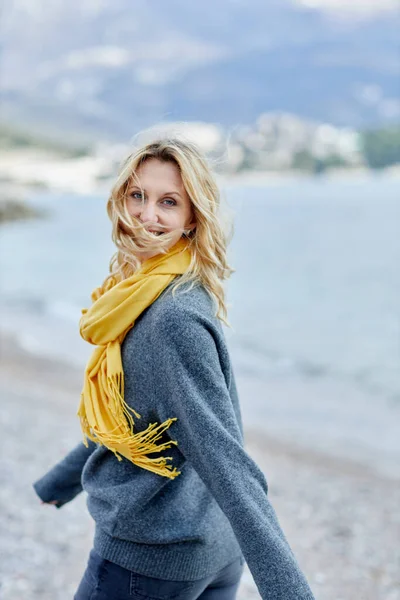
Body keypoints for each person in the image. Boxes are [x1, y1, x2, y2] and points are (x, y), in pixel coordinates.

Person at [33, 137, 315, 600]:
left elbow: (224, 458)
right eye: (138, 195)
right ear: (120, 197)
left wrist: (290, 592)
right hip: (208, 547)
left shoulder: (170, 317)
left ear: (192, 220)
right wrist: (61, 482)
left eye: (169, 202)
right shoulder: (146, 290)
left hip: (150, 560)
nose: (147, 215)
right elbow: (134, 414)